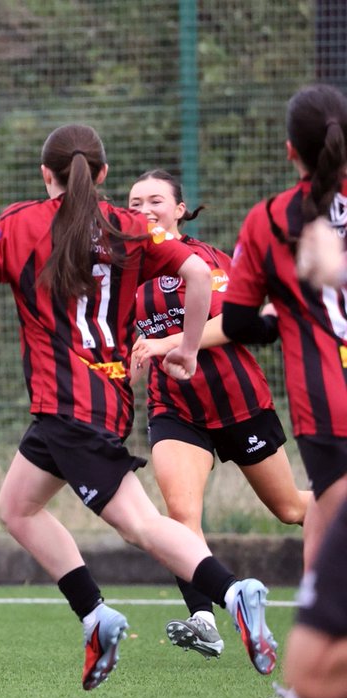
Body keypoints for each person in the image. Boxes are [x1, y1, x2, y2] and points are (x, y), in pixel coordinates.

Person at [0, 123, 278, 691]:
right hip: (93, 401)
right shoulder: (129, 228)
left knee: (143, 525)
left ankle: (232, 593)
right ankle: (97, 615)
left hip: (71, 406)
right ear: (101, 174)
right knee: (17, 507)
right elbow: (197, 272)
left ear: (45, 173)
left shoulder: (20, 222)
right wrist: (189, 349)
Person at [125, 169, 309, 659]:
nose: (144, 209)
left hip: (238, 400)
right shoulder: (123, 272)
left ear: (180, 209)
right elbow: (129, 346)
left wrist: (168, 342)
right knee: (180, 516)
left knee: (291, 509)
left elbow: (231, 323)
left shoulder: (204, 259)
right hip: (175, 410)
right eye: (135, 202)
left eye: (156, 200)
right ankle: (204, 618)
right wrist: (130, 368)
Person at [220, 83, 347, 698]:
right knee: (324, 534)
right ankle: (300, 696)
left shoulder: (271, 220)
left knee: (329, 538)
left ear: (289, 148)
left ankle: (303, 691)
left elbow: (239, 318)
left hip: (329, 408)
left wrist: (290, 319)